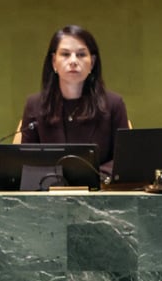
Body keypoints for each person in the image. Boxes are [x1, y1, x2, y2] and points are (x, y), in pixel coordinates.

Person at [20, 25, 129, 177]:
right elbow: (27, 160)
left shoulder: (114, 104)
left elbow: (123, 159)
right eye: (65, 54)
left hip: (99, 192)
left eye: (81, 54)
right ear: (53, 62)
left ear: (92, 62)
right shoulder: (35, 105)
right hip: (49, 192)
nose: (73, 61)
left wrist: (90, 179)